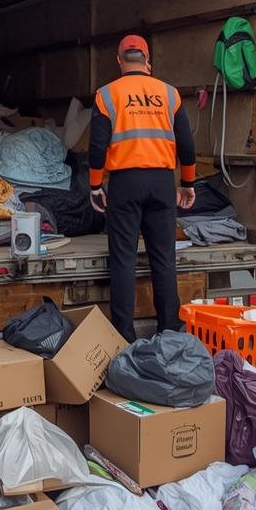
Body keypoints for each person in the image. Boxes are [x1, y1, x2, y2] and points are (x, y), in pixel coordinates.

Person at [87, 34, 197, 343]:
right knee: (163, 259)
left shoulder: (107, 95)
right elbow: (187, 147)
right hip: (162, 184)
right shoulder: (170, 94)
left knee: (123, 259)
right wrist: (187, 182)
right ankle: (169, 331)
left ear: (119, 61)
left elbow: (97, 148)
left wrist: (96, 186)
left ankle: (124, 335)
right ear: (148, 61)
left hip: (125, 184)